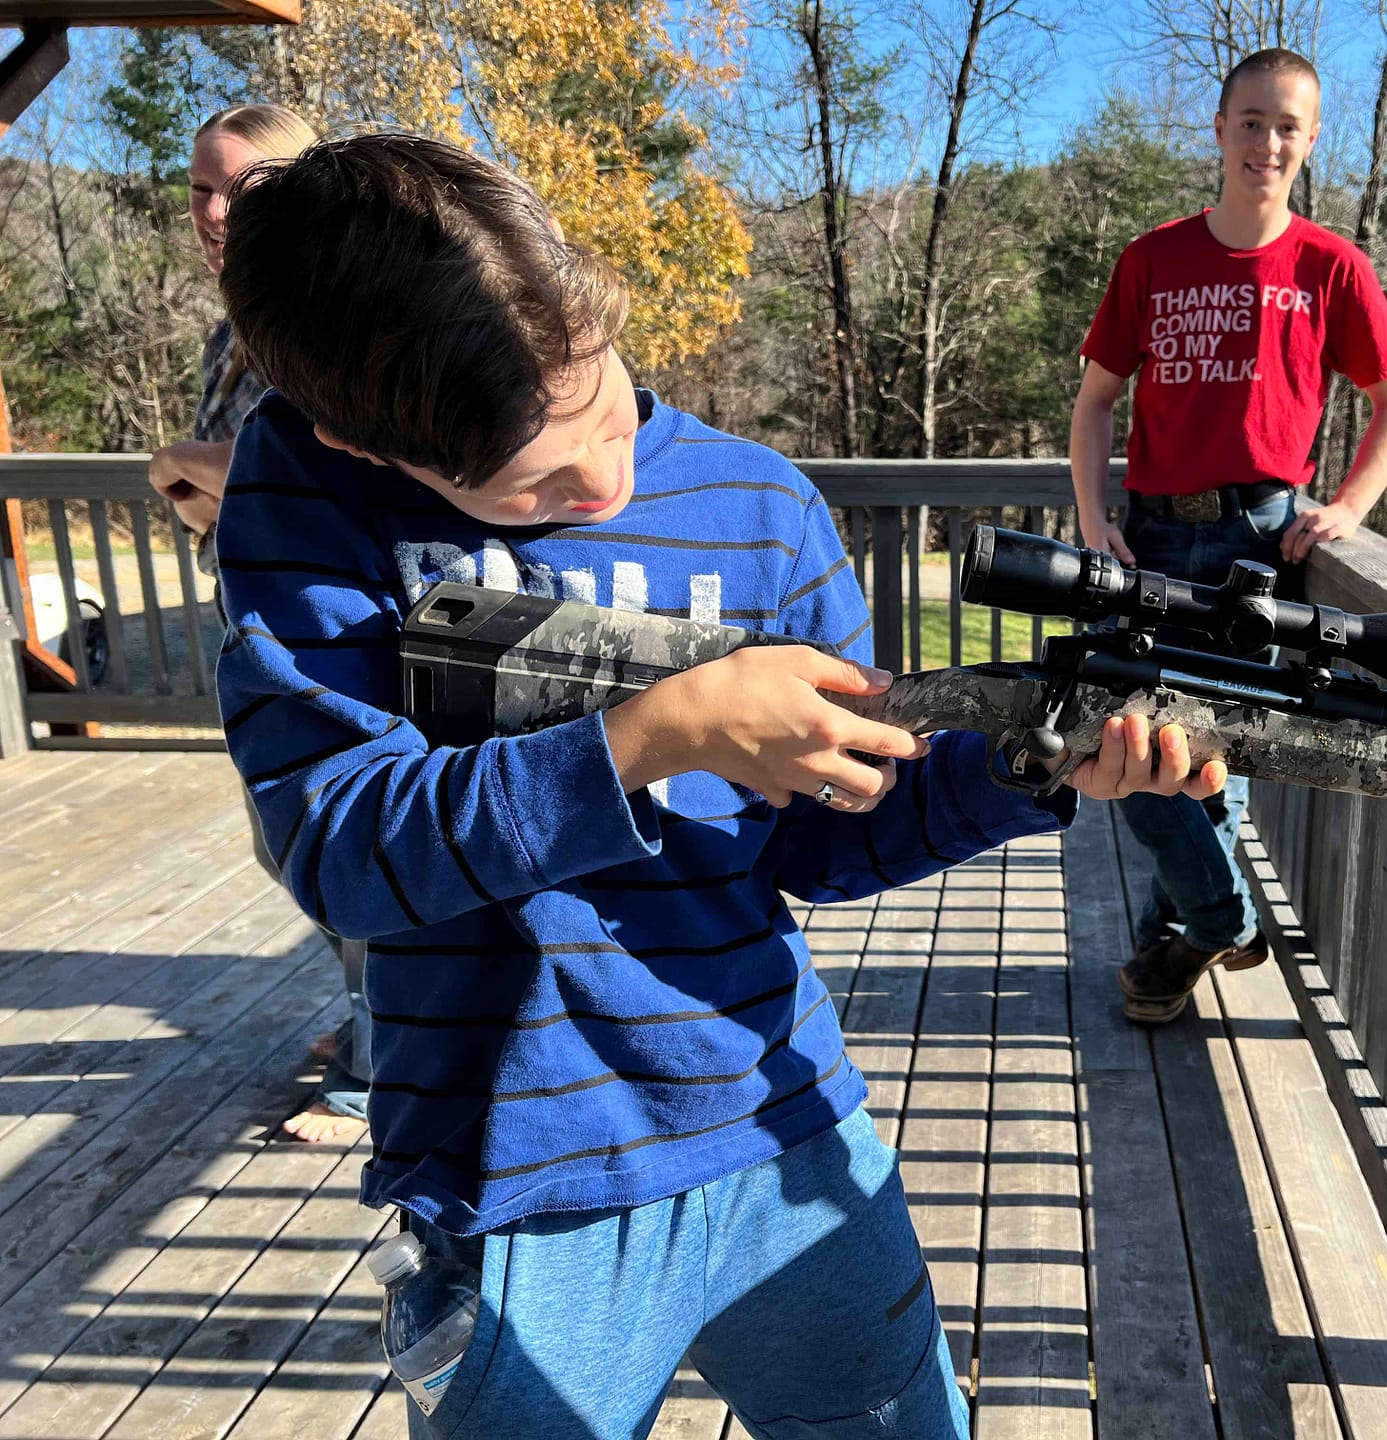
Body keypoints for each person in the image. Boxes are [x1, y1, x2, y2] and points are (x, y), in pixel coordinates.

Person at [212, 133, 1226, 1439]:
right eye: (538, 484)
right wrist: (653, 737)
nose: (609, 479)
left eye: (607, 401)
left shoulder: (764, 503)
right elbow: (342, 848)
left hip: (784, 1119)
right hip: (519, 1185)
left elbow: (830, 841)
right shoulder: (307, 497)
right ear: (366, 446)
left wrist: (1037, 767)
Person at [1069, 47, 1387, 1025]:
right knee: (1131, 741)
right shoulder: (1152, 258)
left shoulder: (1329, 267)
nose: (1269, 141)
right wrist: (1095, 515)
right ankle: (1223, 917)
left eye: (1289, 126)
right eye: (1252, 120)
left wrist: (1347, 507)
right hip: (1148, 536)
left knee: (1212, 758)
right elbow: (1097, 401)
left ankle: (1167, 947)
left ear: (1308, 144)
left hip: (1263, 542)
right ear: (1220, 130)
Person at [142, 103, 374, 1142]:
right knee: (286, 844)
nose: (217, 209)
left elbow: (307, 472)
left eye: (247, 186)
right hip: (262, 628)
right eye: (202, 186)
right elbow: (227, 501)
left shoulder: (336, 315)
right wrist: (208, 484)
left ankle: (382, 1061)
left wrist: (180, 468)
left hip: (349, 634)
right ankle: (381, 1022)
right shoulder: (229, 329)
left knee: (350, 831)